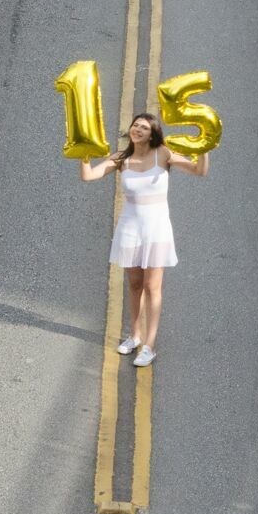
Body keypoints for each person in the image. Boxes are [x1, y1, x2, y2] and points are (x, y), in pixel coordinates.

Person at [81, 114, 209, 369]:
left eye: (144, 127)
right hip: (130, 227)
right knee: (135, 284)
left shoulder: (162, 153)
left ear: (153, 134)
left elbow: (199, 170)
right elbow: (89, 176)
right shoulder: (121, 159)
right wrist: (82, 153)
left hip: (156, 229)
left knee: (153, 286)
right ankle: (134, 335)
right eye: (135, 125)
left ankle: (149, 345)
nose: (138, 129)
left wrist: (205, 149)